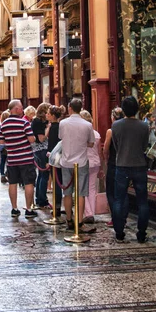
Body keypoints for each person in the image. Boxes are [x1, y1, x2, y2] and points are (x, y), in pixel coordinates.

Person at [112, 95, 150, 243]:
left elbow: (116, 145)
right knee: (142, 201)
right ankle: (141, 233)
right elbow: (144, 145)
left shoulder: (116, 125)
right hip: (139, 165)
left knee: (119, 199)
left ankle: (119, 232)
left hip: (122, 165)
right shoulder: (143, 126)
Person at [58, 98, 95, 233]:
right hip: (81, 161)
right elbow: (91, 143)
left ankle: (69, 219)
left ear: (69, 108)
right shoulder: (87, 125)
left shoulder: (63, 123)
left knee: (67, 192)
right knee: (81, 193)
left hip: (66, 161)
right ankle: (79, 222)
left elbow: (61, 138)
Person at [0, 99, 37, 219]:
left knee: (13, 183)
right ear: (16, 109)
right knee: (28, 183)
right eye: (20, 108)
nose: (22, 110)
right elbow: (31, 140)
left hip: (12, 159)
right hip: (26, 158)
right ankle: (29, 209)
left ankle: (14, 209)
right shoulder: (24, 123)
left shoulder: (3, 125)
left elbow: (1, 142)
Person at [80, 110, 103, 224]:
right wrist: (102, 166)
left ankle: (88, 213)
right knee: (92, 188)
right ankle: (92, 213)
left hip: (84, 162)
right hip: (95, 162)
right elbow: (99, 151)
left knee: (83, 188)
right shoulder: (96, 134)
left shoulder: (81, 134)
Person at [103, 107, 124, 226]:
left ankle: (115, 218)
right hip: (125, 164)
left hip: (113, 164)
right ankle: (122, 217)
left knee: (111, 192)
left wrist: (106, 160)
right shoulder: (127, 130)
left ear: (113, 117)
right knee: (121, 193)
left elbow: (106, 148)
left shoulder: (111, 131)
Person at [32, 103, 51, 210]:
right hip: (41, 149)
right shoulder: (38, 122)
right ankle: (42, 200)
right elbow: (41, 139)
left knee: (41, 175)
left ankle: (39, 198)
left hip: (38, 150)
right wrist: (48, 128)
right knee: (44, 175)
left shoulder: (36, 121)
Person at [46, 105, 62, 217]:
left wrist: (49, 158)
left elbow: (52, 144)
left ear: (52, 116)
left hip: (54, 158)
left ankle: (57, 207)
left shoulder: (53, 127)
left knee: (56, 183)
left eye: (48, 113)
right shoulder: (60, 126)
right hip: (62, 157)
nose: (46, 115)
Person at [0, 110, 10, 183]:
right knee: (10, 160)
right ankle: (8, 173)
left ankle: (2, 175)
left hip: (2, 145)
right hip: (8, 144)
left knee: (2, 160)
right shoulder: (8, 125)